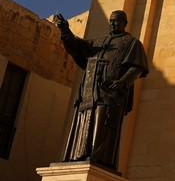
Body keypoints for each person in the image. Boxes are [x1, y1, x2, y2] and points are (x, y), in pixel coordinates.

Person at [54, 10, 149, 171]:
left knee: (102, 123)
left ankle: (99, 158)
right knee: (84, 119)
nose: (112, 24)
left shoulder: (132, 43)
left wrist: (122, 82)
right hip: (89, 90)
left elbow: (137, 67)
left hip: (109, 93)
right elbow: (78, 47)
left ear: (125, 24)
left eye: (116, 21)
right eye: (111, 21)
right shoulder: (100, 41)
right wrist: (66, 31)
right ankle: (78, 155)